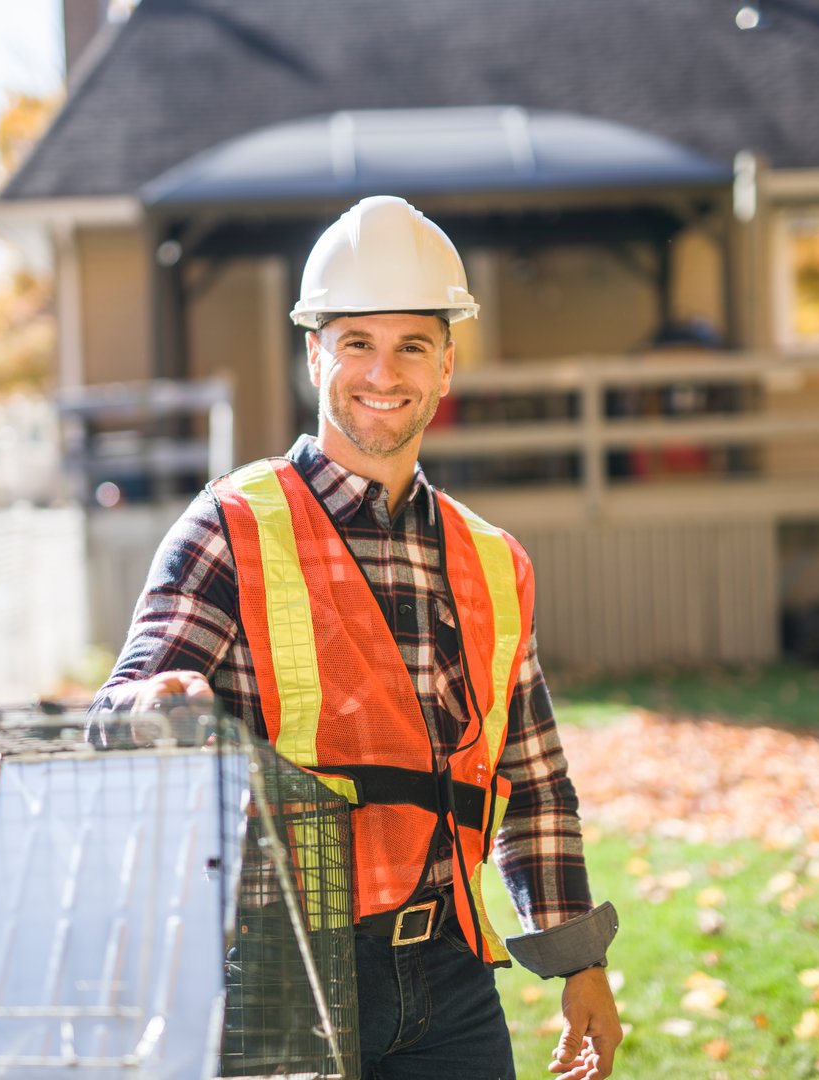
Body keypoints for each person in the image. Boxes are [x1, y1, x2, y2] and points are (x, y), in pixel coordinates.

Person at [92, 195, 623, 1080]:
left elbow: (529, 782)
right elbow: (116, 717)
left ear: (447, 365)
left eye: (413, 344)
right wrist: (154, 706)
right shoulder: (231, 526)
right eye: (358, 343)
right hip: (280, 969)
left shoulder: (492, 561)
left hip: (450, 980)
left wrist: (581, 963)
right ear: (315, 355)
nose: (385, 372)